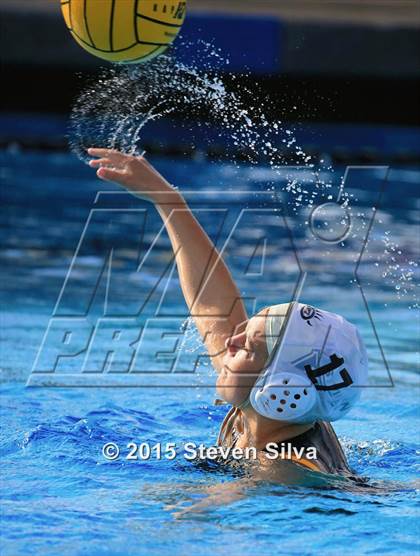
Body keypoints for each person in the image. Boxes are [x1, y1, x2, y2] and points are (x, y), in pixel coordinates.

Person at [88, 147, 368, 479]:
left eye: (248, 346)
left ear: (280, 391)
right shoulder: (269, 406)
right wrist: (167, 199)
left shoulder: (285, 470)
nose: (230, 341)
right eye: (246, 331)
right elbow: (211, 305)